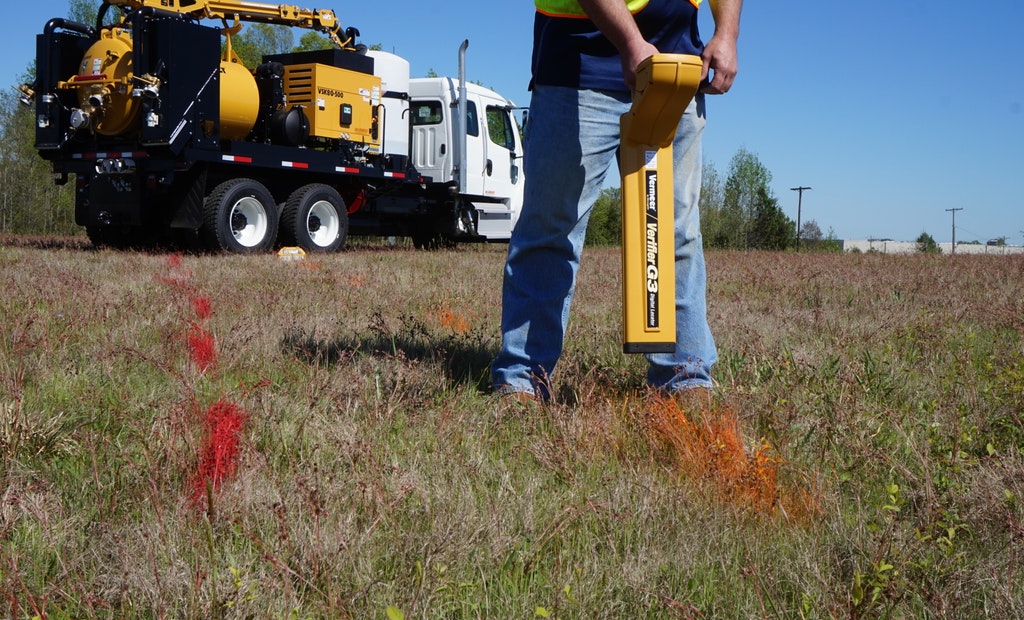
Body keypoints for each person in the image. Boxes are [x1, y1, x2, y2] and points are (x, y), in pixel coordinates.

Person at [491, 0, 741, 401]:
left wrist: (726, 33)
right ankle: (523, 379)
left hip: (677, 69)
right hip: (579, 63)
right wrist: (631, 42)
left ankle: (686, 377)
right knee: (551, 229)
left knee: (675, 232)